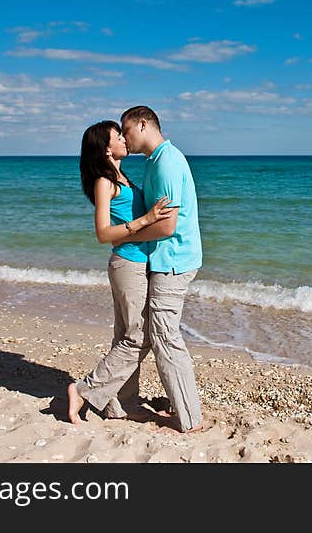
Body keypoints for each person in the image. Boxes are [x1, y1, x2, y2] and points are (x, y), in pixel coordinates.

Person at [67, 120, 175, 424]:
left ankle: (122, 404)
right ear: (105, 148)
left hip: (137, 263)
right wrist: (146, 220)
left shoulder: (122, 176)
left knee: (124, 337)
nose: (125, 141)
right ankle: (83, 390)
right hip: (127, 265)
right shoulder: (105, 181)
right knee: (139, 338)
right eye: (119, 137)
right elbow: (103, 232)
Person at [117, 105, 204, 433]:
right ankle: (169, 402)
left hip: (174, 260)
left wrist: (129, 231)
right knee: (158, 333)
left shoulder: (166, 161)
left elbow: (166, 226)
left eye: (126, 130)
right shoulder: (155, 161)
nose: (125, 138)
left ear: (143, 124)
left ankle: (190, 418)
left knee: (165, 335)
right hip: (165, 259)